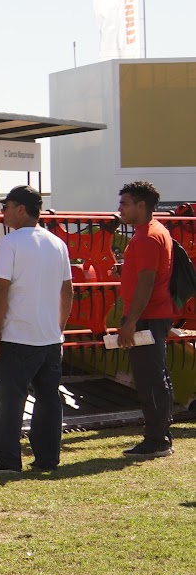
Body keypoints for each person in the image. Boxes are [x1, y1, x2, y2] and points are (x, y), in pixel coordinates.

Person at [0, 186, 73, 473]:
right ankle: (48, 458)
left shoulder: (11, 243)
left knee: (10, 401)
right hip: (49, 338)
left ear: (21, 209)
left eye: (6, 206)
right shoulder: (57, 244)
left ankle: (7, 460)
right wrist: (59, 328)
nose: (2, 211)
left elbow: (0, 291)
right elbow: (68, 291)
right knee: (48, 400)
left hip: (18, 336)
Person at [115, 180, 176, 458]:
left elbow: (146, 282)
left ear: (142, 205)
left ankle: (157, 440)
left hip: (148, 317)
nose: (120, 209)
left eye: (125, 203)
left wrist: (130, 322)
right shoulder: (153, 232)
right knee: (155, 375)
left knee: (150, 378)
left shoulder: (148, 237)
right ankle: (160, 434)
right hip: (152, 315)